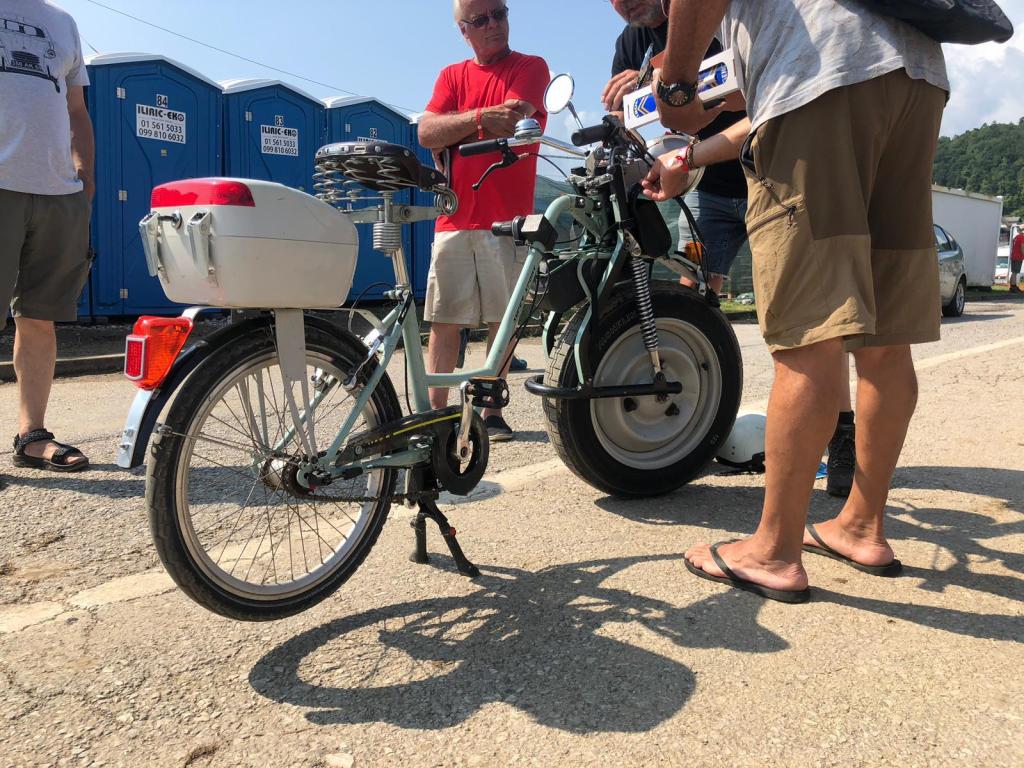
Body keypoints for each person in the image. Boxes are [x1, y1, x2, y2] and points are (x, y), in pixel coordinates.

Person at [643, 0, 948, 602]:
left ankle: (774, 550)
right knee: (887, 339)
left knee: (809, 330)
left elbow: (795, 87)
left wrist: (675, 85)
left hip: (824, 80)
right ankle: (861, 525)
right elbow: (762, 104)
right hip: (916, 75)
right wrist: (690, 149)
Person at [417, 0, 548, 442]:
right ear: (464, 30)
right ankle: (436, 416)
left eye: (500, 13)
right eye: (480, 19)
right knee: (444, 320)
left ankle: (491, 411)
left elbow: (512, 120)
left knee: (501, 319)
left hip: (507, 219)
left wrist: (454, 128)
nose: (494, 24)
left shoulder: (531, 66)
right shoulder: (450, 75)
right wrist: (478, 119)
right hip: (454, 218)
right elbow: (426, 132)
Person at [1, 0, 95, 472]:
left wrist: (85, 176)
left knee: (39, 318)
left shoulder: (62, 22)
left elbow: (76, 109)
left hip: (58, 192)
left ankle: (31, 436)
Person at [602, 0, 749, 298]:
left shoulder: (711, 13)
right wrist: (618, 124)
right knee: (694, 278)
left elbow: (744, 82)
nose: (623, 2)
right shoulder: (629, 43)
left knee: (789, 276)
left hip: (763, 167)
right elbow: (622, 119)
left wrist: (657, 80)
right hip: (705, 185)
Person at [1010, 227, 1023, 293]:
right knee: (1015, 272)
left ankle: (1013, 287)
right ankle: (1013, 287)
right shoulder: (1022, 237)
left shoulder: (1016, 237)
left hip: (1014, 256)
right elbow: (1022, 248)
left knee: (1013, 272)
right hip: (1018, 257)